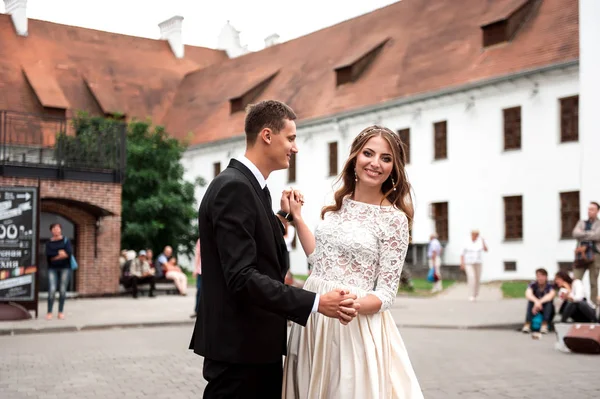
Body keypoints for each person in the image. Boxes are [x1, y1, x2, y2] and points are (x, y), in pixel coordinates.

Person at [188, 100, 358, 399]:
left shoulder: (253, 187)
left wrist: (285, 217)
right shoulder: (234, 188)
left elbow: (255, 237)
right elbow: (242, 276)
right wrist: (317, 302)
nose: (296, 147)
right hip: (239, 351)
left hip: (252, 347)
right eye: (291, 138)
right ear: (267, 135)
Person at [283, 125, 423, 399]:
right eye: (368, 153)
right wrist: (297, 218)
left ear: (394, 168)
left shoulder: (394, 220)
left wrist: (348, 306)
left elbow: (386, 294)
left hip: (351, 324)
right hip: (314, 318)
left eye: (386, 158)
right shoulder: (339, 205)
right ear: (355, 158)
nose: (375, 163)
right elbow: (318, 259)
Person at [572, 201, 600, 306]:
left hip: (595, 254)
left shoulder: (599, 223)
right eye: (588, 209)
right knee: (576, 279)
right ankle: (574, 303)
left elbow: (598, 236)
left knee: (593, 281)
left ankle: (593, 306)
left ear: (597, 211)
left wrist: (582, 234)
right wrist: (590, 234)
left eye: (592, 209)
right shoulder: (582, 222)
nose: (589, 211)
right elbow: (575, 233)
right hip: (580, 255)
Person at [44, 223, 72, 320]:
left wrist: (55, 256)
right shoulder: (49, 243)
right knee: (52, 290)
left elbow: (68, 253)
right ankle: (49, 312)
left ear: (61, 230)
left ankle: (60, 312)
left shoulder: (66, 241)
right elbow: (49, 255)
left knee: (63, 290)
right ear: (51, 231)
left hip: (65, 268)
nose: (56, 230)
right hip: (52, 268)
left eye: (58, 228)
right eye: (54, 228)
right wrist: (59, 254)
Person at [521, 268, 555, 334]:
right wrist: (536, 302)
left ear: (546, 277)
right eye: (538, 276)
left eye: (542, 276)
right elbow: (528, 294)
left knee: (548, 303)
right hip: (535, 309)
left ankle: (544, 325)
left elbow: (550, 296)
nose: (540, 278)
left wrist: (539, 302)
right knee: (530, 302)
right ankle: (527, 324)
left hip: (546, 309)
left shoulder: (550, 286)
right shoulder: (533, 285)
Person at [460, 229, 488, 301]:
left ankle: (475, 294)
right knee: (471, 277)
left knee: (477, 278)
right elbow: (462, 253)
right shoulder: (466, 241)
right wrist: (462, 263)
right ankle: (471, 295)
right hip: (468, 262)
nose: (476, 236)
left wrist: (483, 241)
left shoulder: (480, 241)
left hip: (478, 262)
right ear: (472, 234)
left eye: (477, 234)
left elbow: (486, 249)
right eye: (475, 234)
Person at [191, 239, 202, 318]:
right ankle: (197, 310)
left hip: (211, 270)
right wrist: (195, 268)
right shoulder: (200, 240)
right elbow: (197, 255)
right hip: (201, 270)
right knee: (199, 289)